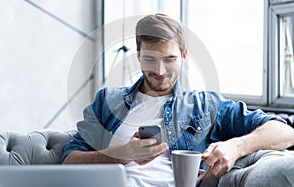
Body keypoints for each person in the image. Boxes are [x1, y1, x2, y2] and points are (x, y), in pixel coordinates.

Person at [62, 13, 294, 187]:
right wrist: (121, 154)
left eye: (169, 59)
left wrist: (235, 146)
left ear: (183, 56)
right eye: (150, 59)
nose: (160, 70)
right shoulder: (108, 100)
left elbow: (285, 132)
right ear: (138, 56)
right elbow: (69, 161)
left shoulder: (206, 106)